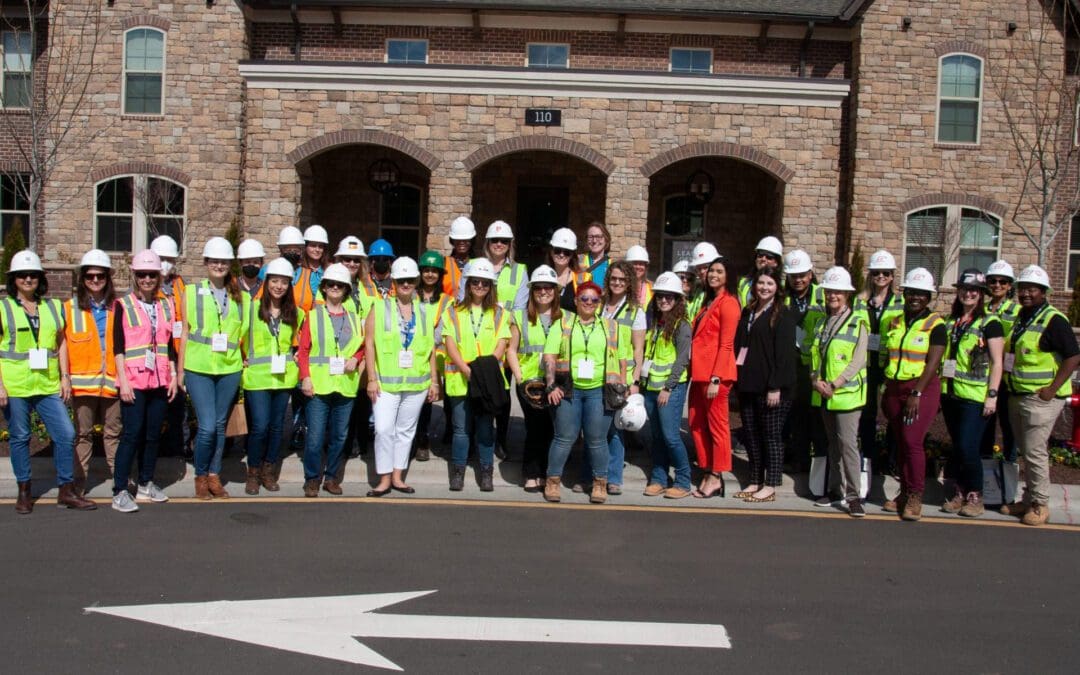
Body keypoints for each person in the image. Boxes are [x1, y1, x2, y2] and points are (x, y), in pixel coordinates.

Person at [1, 250, 95, 514]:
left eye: (33, 275)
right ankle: (24, 491)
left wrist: (65, 376)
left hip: (47, 383)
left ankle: (66, 490)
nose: (28, 279)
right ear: (14, 279)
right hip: (15, 384)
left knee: (65, 434)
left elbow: (61, 342)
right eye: (22, 275)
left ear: (40, 278)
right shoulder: (3, 307)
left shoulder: (52, 306)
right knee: (20, 436)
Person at [1001, 265, 1080, 526]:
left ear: (1043, 292)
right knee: (1026, 450)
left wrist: (1052, 390)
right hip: (1018, 394)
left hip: (1041, 398)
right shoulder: (1023, 317)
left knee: (1035, 452)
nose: (1025, 294)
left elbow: (1073, 356)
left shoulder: (1053, 319)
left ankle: (1040, 504)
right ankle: (1028, 498)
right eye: (1022, 289)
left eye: (1031, 289)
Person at [542, 281, 628, 504]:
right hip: (568, 390)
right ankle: (552, 480)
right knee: (564, 438)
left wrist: (623, 387)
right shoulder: (562, 324)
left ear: (600, 303)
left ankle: (600, 483)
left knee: (597, 440)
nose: (589, 303)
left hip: (599, 391)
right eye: (585, 299)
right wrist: (551, 385)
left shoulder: (611, 327)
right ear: (576, 301)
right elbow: (549, 356)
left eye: (594, 300)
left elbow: (622, 359)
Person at [109, 250, 179, 512]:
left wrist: (172, 375)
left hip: (159, 380)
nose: (148, 279)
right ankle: (119, 491)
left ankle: (146, 483)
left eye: (152, 274)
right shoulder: (123, 305)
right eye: (142, 275)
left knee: (152, 436)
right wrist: (123, 382)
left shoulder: (165, 305)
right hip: (135, 382)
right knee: (131, 435)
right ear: (135, 276)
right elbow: (118, 347)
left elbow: (168, 345)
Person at [364, 257, 440, 497]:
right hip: (386, 384)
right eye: (401, 280)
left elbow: (430, 350)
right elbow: (369, 345)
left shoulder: (426, 311)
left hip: (417, 384)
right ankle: (384, 478)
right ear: (394, 282)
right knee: (384, 429)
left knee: (406, 431)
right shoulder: (379, 307)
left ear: (416, 281)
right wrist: (371, 379)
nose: (406, 284)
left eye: (410, 280)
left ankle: (397, 476)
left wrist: (434, 381)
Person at [180, 236, 245, 501]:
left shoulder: (240, 297)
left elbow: (243, 332)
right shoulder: (191, 292)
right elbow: (184, 332)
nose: (219, 265)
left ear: (230, 265)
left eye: (224, 261)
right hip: (199, 367)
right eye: (214, 261)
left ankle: (214, 475)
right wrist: (180, 370)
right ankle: (201, 474)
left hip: (229, 367)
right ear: (206, 263)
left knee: (220, 425)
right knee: (206, 426)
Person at [880, 267, 946, 522]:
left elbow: (933, 362)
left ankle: (916, 496)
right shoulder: (895, 321)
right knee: (900, 441)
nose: (915, 297)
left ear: (928, 297)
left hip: (921, 388)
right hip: (895, 388)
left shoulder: (935, 324)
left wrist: (916, 393)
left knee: (912, 441)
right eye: (911, 292)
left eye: (921, 294)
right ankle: (904, 492)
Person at [940, 268, 1003, 518]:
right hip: (951, 394)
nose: (969, 294)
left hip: (975, 397)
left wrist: (992, 394)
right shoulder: (950, 322)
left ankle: (975, 494)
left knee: (968, 446)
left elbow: (997, 362)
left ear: (981, 295)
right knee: (958, 446)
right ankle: (960, 492)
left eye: (974, 291)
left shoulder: (990, 323)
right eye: (965, 289)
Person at [443, 258, 510, 491]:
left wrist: (482, 374)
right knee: (461, 430)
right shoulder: (452, 312)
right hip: (460, 380)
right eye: (476, 282)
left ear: (491, 286)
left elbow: (502, 344)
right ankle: (458, 472)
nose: (480, 286)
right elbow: (449, 343)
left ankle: (486, 473)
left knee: (484, 429)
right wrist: (466, 369)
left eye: (485, 282)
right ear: (468, 284)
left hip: (487, 383)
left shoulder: (500, 313)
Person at [297, 263, 364, 497]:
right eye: (331, 284)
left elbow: (363, 346)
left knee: (340, 436)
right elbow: (303, 351)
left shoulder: (355, 318)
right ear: (324, 288)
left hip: (345, 385)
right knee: (315, 437)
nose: (335, 288)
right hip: (319, 385)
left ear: (346, 289)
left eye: (340, 285)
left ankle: (332, 477)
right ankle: (312, 478)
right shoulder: (312, 316)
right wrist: (305, 377)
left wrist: (356, 358)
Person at [809, 267, 869, 517]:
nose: (833, 295)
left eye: (838, 292)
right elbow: (814, 356)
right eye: (829, 291)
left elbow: (858, 360)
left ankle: (854, 497)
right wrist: (815, 380)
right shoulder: (822, 322)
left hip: (846, 397)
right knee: (833, 444)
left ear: (847, 294)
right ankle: (836, 490)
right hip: (824, 395)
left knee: (847, 446)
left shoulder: (858, 322)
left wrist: (835, 384)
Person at [733, 269, 797, 503]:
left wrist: (775, 386)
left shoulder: (782, 315)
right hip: (748, 384)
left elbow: (784, 356)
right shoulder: (748, 311)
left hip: (772, 388)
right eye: (760, 282)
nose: (764, 287)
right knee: (752, 435)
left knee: (771, 436)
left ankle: (771, 485)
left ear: (777, 287)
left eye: (770, 283)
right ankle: (755, 479)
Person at [240, 257, 303, 495]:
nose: (279, 286)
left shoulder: (294, 313)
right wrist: (240, 356)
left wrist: (297, 356)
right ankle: (253, 472)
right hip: (257, 378)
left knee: (277, 428)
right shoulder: (251, 308)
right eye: (274, 281)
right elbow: (237, 337)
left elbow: (299, 343)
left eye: (284, 282)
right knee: (260, 427)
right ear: (266, 283)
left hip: (283, 378)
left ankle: (269, 471)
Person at [64, 249, 120, 496]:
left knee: (114, 434)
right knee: (83, 435)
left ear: (108, 278)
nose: (95, 281)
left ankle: (120, 480)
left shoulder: (118, 307)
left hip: (112, 382)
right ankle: (79, 481)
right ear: (82, 279)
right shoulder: (69, 308)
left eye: (100, 276)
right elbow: (61, 346)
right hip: (83, 384)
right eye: (90, 276)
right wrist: (64, 378)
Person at [592, 260, 646, 494]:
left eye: (622, 280)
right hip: (596, 374)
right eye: (613, 278)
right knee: (594, 428)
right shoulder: (598, 305)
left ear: (629, 283)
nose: (616, 283)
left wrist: (634, 381)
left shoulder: (636, 311)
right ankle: (592, 475)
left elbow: (638, 349)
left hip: (620, 378)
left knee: (614, 429)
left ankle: (613, 478)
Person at [689, 255, 740, 499]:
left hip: (715, 377)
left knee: (717, 427)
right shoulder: (707, 301)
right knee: (696, 423)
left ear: (728, 276)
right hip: (699, 374)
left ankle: (717, 475)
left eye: (719, 271)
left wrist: (716, 378)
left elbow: (727, 344)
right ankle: (706, 467)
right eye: (711, 271)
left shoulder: (728, 303)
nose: (713, 275)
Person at [507, 266, 561, 492]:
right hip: (530, 383)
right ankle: (531, 473)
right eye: (538, 288)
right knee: (535, 427)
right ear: (532, 291)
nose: (543, 291)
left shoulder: (566, 317)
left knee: (552, 428)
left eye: (548, 287)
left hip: (556, 383)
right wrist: (519, 380)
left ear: (555, 290)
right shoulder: (520, 317)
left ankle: (548, 473)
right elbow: (511, 350)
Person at [479, 220, 528, 461]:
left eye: (504, 241)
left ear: (510, 245)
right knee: (479, 392)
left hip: (505, 339)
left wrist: (507, 338)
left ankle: (501, 440)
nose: (499, 244)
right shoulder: (475, 266)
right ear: (488, 243)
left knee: (502, 392)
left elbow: (519, 309)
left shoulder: (520, 271)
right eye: (495, 240)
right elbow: (463, 300)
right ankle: (480, 439)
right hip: (478, 337)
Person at [640, 273, 693, 498]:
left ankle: (683, 480)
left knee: (671, 436)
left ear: (678, 299)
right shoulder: (654, 321)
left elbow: (682, 360)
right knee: (658, 436)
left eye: (669, 297)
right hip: (651, 387)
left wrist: (668, 388)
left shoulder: (682, 326)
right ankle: (659, 478)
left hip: (669, 389)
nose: (663, 300)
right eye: (660, 296)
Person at [854, 249, 904, 477]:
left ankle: (892, 459)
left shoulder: (900, 303)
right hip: (865, 366)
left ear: (892, 276)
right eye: (876, 273)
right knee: (867, 413)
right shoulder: (859, 302)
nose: (881, 277)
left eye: (885, 273)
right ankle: (868, 458)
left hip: (890, 366)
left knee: (893, 413)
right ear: (870, 275)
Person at [783, 248, 827, 476]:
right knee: (797, 416)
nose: (798, 280)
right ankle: (799, 462)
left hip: (818, 368)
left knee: (817, 418)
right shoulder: (783, 297)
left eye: (802, 275)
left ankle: (818, 468)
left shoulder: (822, 294)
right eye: (793, 276)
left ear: (810, 274)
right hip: (793, 366)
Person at [982, 259, 1020, 492]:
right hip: (982, 377)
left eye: (1002, 282)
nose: (997, 285)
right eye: (993, 281)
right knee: (985, 430)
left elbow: (1014, 344)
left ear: (1009, 285)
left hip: (1005, 379)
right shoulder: (982, 309)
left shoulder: (1016, 312)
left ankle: (1008, 488)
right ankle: (987, 485)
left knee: (1009, 431)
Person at [151, 234, 189, 459]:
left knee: (179, 402)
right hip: (155, 353)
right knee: (157, 403)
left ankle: (179, 446)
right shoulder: (145, 284)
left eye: (170, 259)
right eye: (161, 258)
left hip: (177, 349)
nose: (166, 264)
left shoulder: (179, 284)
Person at [415, 249, 452, 461]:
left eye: (434, 271)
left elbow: (444, 328)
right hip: (414, 355)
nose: (430, 275)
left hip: (436, 358)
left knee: (429, 400)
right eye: (426, 270)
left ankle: (424, 440)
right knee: (414, 401)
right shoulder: (411, 295)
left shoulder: (447, 301)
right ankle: (416, 439)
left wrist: (426, 341)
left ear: (440, 275)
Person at [547, 228, 589, 312]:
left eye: (566, 252)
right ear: (551, 251)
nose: (561, 255)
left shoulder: (582, 279)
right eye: (557, 250)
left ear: (572, 255)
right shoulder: (542, 275)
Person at [738, 236, 783, 307]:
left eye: (769, 257)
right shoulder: (743, 283)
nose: (763, 259)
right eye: (760, 255)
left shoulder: (783, 287)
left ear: (776, 262)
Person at [293, 224, 329, 312]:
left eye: (320, 246)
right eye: (313, 245)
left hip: (323, 318)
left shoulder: (328, 271)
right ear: (305, 247)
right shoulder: (296, 271)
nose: (317, 249)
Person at [444, 216, 476, 297]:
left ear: (472, 240)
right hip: (447, 309)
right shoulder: (443, 264)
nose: (462, 242)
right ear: (452, 240)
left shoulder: (478, 264)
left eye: (466, 239)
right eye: (458, 239)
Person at [689, 241, 720, 319]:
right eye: (699, 268)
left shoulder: (721, 293)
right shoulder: (698, 291)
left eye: (706, 267)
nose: (702, 272)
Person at [579, 221, 611, 287]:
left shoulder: (611, 264)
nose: (594, 241)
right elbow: (576, 284)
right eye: (590, 237)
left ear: (606, 239)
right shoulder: (579, 259)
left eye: (598, 236)